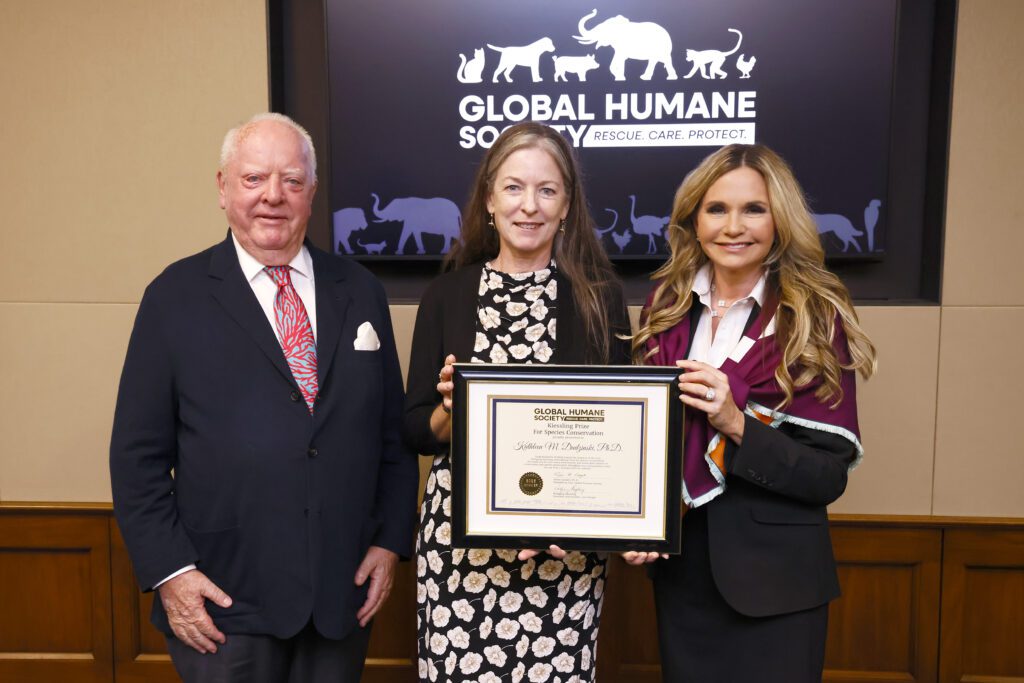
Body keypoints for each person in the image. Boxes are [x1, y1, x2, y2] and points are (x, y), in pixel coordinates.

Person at [109, 113, 418, 682]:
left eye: (291, 180)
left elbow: (390, 437)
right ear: (223, 187)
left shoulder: (360, 291)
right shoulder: (173, 297)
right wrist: (173, 573)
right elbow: (136, 458)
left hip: (340, 593)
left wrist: (389, 543)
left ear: (312, 192)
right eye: (254, 179)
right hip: (222, 599)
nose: (273, 196)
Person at [627, 143, 877, 681]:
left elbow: (827, 476)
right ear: (694, 221)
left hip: (780, 588)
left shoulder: (811, 318)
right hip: (683, 578)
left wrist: (737, 423)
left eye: (754, 209)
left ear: (779, 220)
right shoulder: (664, 309)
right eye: (717, 209)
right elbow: (641, 443)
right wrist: (634, 521)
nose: (733, 226)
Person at [403, 122, 631, 682]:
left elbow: (617, 437)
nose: (529, 205)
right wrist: (450, 409)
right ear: (488, 198)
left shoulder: (599, 300)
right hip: (460, 551)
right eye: (513, 187)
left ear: (567, 205)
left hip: (564, 552)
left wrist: (573, 525)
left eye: (546, 190)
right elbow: (414, 431)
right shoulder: (446, 295)